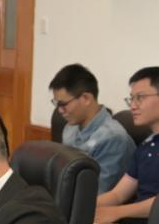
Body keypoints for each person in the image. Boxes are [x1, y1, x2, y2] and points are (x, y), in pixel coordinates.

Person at [49, 63, 134, 194]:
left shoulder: (113, 138)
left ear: (86, 98)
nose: (60, 111)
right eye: (56, 104)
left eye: (63, 104)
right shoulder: (70, 128)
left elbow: (98, 192)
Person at [95, 67, 159, 224]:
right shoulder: (146, 146)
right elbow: (118, 195)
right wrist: (82, 205)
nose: (133, 106)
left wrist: (117, 212)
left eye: (140, 97)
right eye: (131, 99)